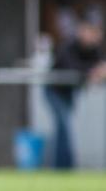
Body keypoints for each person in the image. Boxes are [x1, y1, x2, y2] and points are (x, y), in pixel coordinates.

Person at [44, 13, 105, 169]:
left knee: (63, 128)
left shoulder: (95, 49)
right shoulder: (68, 45)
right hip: (54, 90)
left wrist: (100, 70)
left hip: (69, 92)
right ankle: (64, 165)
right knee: (63, 126)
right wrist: (92, 71)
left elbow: (100, 66)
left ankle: (61, 165)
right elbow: (70, 66)